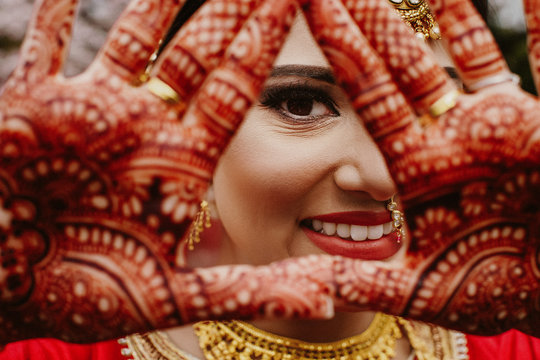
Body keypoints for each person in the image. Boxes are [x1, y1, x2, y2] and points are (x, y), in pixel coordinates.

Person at [0, 0, 539, 359]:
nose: (382, 177)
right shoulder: (50, 338)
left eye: (427, 112)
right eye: (301, 103)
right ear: (182, 128)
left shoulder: (517, 340)